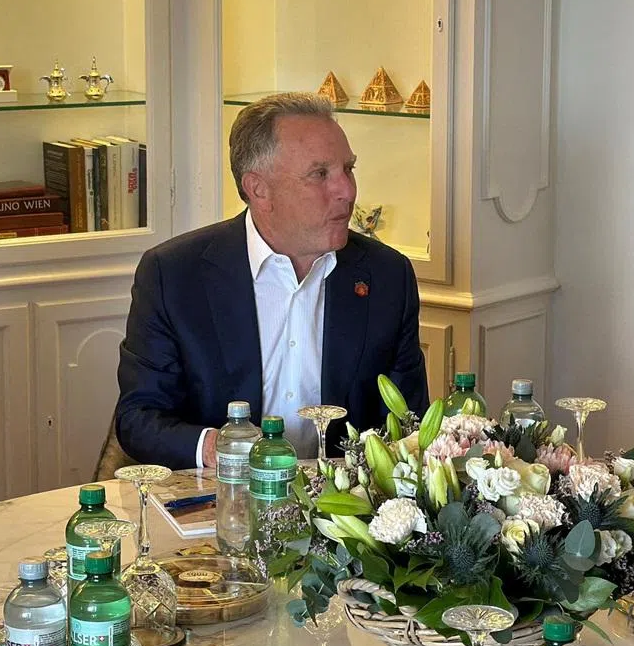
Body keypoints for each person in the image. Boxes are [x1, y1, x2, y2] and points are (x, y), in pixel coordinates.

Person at [115, 92, 429, 470]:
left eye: (349, 169)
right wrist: (218, 448)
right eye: (320, 174)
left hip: (345, 511)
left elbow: (409, 422)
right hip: (224, 497)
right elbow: (139, 418)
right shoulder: (174, 274)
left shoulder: (386, 275)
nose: (346, 190)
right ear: (259, 189)